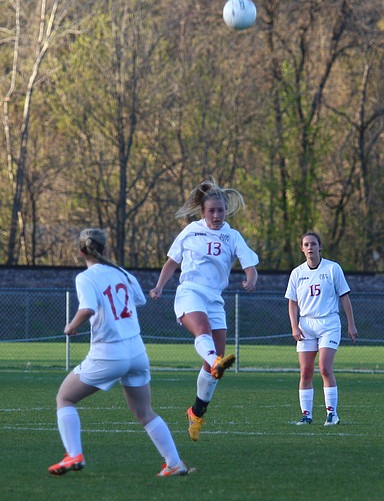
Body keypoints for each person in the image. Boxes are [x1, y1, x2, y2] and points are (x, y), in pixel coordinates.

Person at [49, 228, 191, 477]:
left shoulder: (86, 278)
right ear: (104, 249)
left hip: (109, 352)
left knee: (65, 398)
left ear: (81, 251)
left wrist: (71, 327)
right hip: (136, 351)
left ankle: (74, 454)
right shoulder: (122, 273)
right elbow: (139, 301)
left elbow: (87, 309)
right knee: (144, 412)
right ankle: (174, 463)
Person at [149, 179, 259, 442]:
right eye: (212, 211)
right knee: (203, 332)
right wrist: (159, 287)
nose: (217, 215)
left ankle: (196, 412)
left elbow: (249, 263)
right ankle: (216, 362)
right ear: (203, 212)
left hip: (215, 298)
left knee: (212, 361)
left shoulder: (232, 235)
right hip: (190, 291)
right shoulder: (190, 232)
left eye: (221, 210)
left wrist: (251, 277)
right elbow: (171, 263)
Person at [285, 232, 358, 426]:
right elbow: (292, 303)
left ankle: (332, 414)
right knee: (306, 371)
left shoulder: (333, 269)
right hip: (306, 325)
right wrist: (294, 326)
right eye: (306, 245)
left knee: (325, 368)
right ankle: (306, 415)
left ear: (320, 247)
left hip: (329, 324)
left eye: (313, 244)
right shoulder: (297, 273)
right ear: (302, 248)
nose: (310, 248)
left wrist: (351, 324)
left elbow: (345, 297)